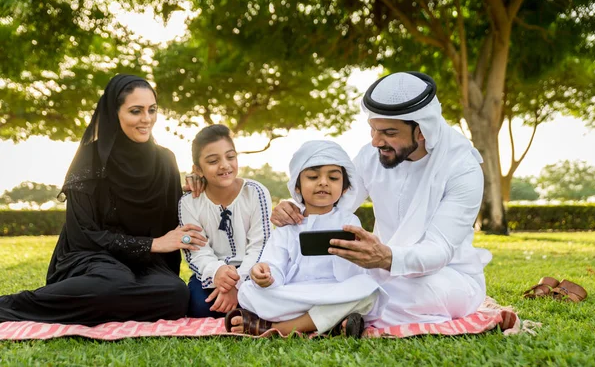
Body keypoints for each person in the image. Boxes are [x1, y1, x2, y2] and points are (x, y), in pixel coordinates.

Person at [271, 72, 492, 327]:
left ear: (421, 131)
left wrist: (386, 257)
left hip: (445, 276)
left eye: (388, 132)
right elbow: (334, 204)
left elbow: (438, 251)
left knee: (407, 294)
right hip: (377, 270)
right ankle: (346, 317)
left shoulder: (462, 168)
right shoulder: (371, 156)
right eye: (373, 130)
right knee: (327, 281)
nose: (376, 141)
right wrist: (294, 208)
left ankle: (299, 323)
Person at [0, 74, 207, 325]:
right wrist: (152, 244)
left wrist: (200, 188)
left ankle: (97, 305)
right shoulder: (91, 159)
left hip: (143, 265)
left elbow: (173, 219)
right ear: (114, 112)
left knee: (175, 294)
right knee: (113, 282)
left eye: (152, 110)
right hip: (90, 259)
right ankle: (9, 307)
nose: (147, 119)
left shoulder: (165, 160)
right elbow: (83, 233)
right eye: (135, 111)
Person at [226, 140, 387, 337]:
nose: (323, 182)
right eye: (312, 176)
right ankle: (332, 324)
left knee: (368, 290)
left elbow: (355, 273)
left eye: (334, 178)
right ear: (298, 187)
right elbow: (273, 264)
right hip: (294, 294)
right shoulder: (287, 225)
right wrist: (264, 275)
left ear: (344, 188)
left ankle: (281, 328)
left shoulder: (349, 221)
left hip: (335, 291)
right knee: (248, 291)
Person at [179, 124, 272, 318]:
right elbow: (197, 252)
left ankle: (243, 303)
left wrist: (237, 285)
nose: (224, 165)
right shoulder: (189, 202)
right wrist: (218, 272)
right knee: (199, 306)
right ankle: (240, 307)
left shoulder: (255, 192)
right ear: (198, 169)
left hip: (253, 272)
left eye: (230, 157)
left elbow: (260, 246)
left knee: (269, 299)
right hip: (213, 275)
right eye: (213, 161)